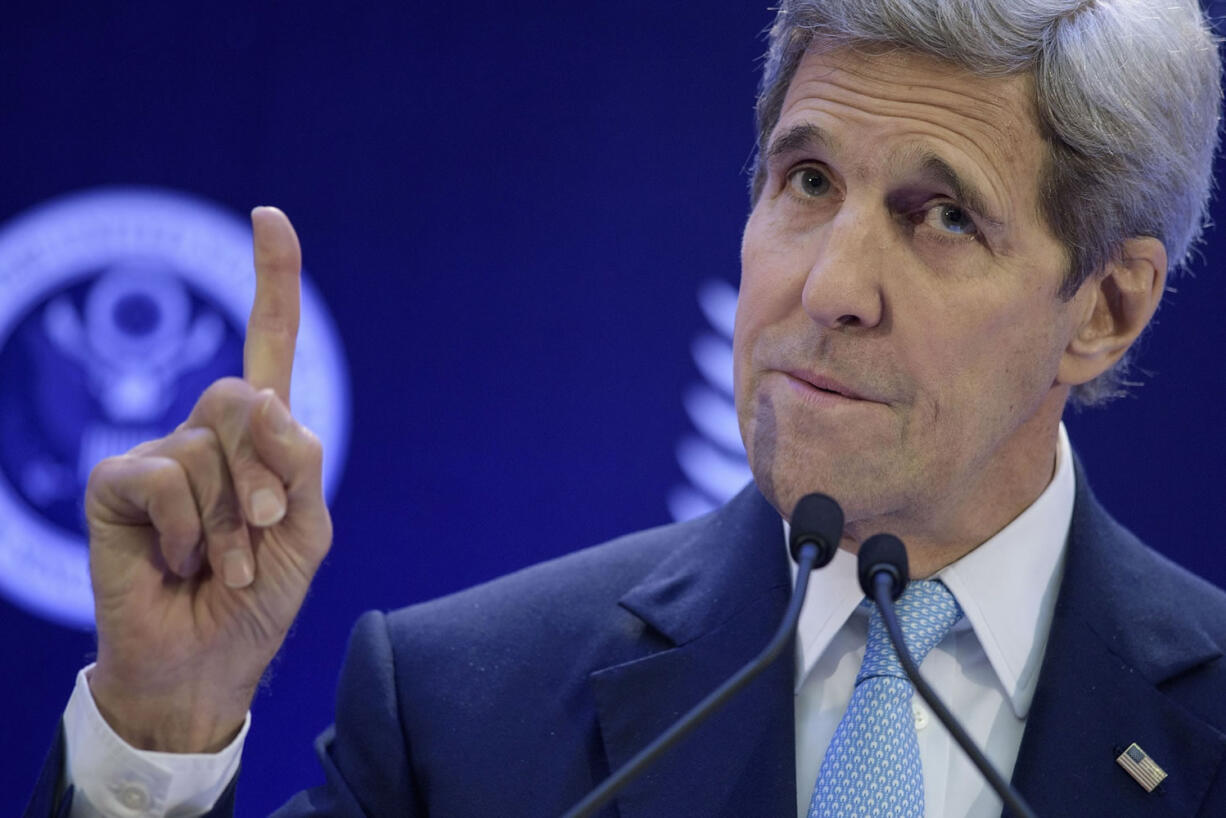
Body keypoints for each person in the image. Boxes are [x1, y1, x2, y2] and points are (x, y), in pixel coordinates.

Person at [25, 0, 1226, 816]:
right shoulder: (461, 711)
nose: (825, 285)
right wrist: (163, 733)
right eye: (807, 181)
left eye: (940, 214)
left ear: (1104, 308)